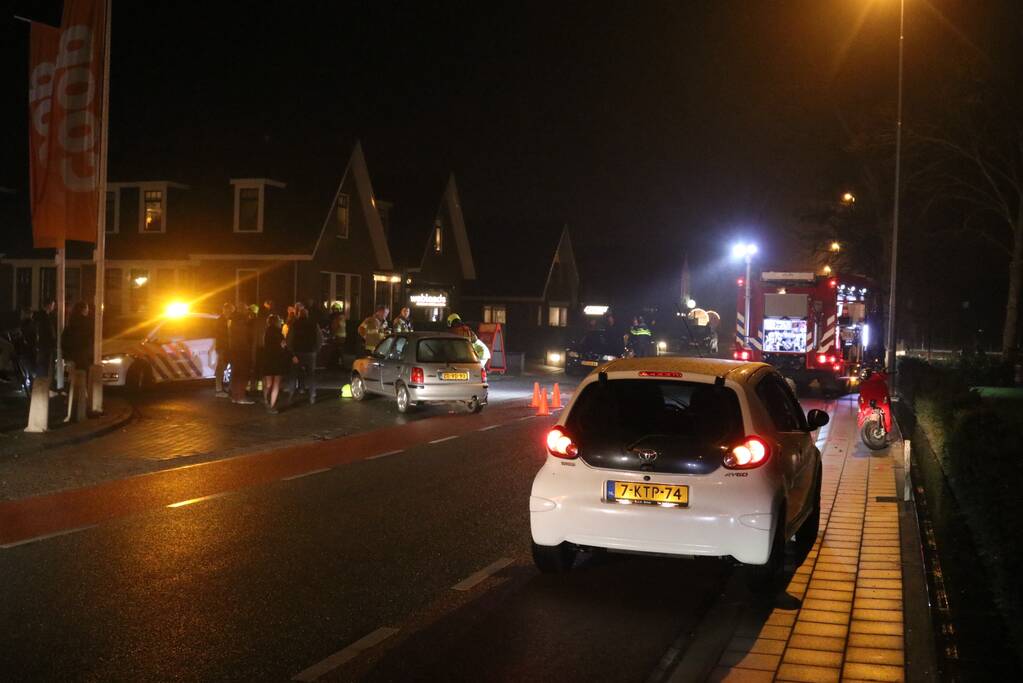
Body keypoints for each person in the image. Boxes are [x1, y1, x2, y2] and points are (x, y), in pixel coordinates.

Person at [287, 305, 321, 404]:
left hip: (297, 352)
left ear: (299, 315)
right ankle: (312, 395)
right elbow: (320, 339)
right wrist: (316, 349)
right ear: (307, 315)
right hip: (310, 352)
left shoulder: (294, 324)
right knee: (311, 374)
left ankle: (291, 394)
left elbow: (289, 339)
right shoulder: (314, 324)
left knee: (293, 374)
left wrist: (291, 352)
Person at [261, 313, 292, 414]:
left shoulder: (266, 332)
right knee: (276, 383)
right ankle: (272, 405)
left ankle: (266, 399)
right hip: (277, 359)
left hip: (267, 358)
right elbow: (284, 345)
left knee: (268, 383)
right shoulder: (279, 333)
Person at [229, 304, 255, 404]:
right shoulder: (242, 322)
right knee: (242, 374)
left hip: (235, 350)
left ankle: (235, 396)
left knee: (236, 374)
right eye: (246, 309)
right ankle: (241, 397)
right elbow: (246, 337)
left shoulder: (233, 320)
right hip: (242, 351)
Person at [62, 301, 93, 371]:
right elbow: (88, 339)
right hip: (82, 356)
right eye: (87, 308)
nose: (88, 310)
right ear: (84, 309)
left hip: (71, 356)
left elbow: (64, 339)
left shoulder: (70, 322)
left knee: (73, 376)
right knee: (81, 375)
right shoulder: (86, 322)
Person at [214, 302, 234, 397]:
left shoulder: (230, 320)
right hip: (222, 347)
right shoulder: (220, 321)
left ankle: (226, 387)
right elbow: (221, 334)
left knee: (227, 367)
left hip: (229, 347)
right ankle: (218, 390)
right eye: (228, 310)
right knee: (221, 368)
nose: (230, 312)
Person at [34, 299, 57, 380]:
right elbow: (46, 330)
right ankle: (41, 381)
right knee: (43, 364)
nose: (53, 307)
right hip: (44, 344)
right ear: (49, 305)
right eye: (53, 305)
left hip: (45, 344)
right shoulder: (43, 316)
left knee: (44, 364)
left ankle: (42, 380)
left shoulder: (45, 316)